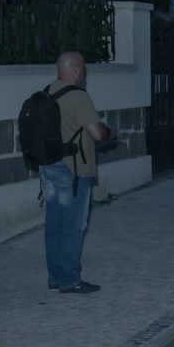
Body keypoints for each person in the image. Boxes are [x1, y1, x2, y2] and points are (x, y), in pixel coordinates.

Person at [39, 51, 117, 294]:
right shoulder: (78, 97)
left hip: (48, 166)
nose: (83, 74)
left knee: (54, 223)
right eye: (82, 69)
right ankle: (70, 279)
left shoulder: (46, 92)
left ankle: (55, 276)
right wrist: (110, 132)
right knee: (73, 225)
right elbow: (97, 133)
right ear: (75, 71)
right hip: (73, 169)